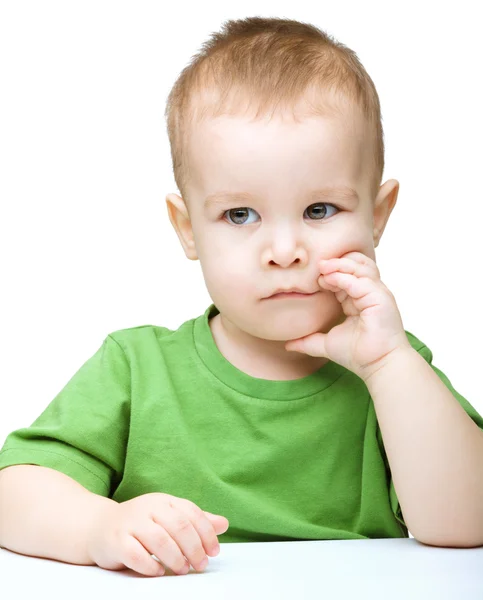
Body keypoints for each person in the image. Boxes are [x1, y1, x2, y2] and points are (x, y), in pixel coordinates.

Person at [1, 16, 482, 579]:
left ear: (378, 216)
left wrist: (388, 366)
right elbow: (15, 491)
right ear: (187, 229)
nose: (283, 250)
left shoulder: (396, 375)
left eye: (319, 210)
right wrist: (97, 526)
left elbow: (467, 521)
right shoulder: (137, 368)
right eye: (240, 214)